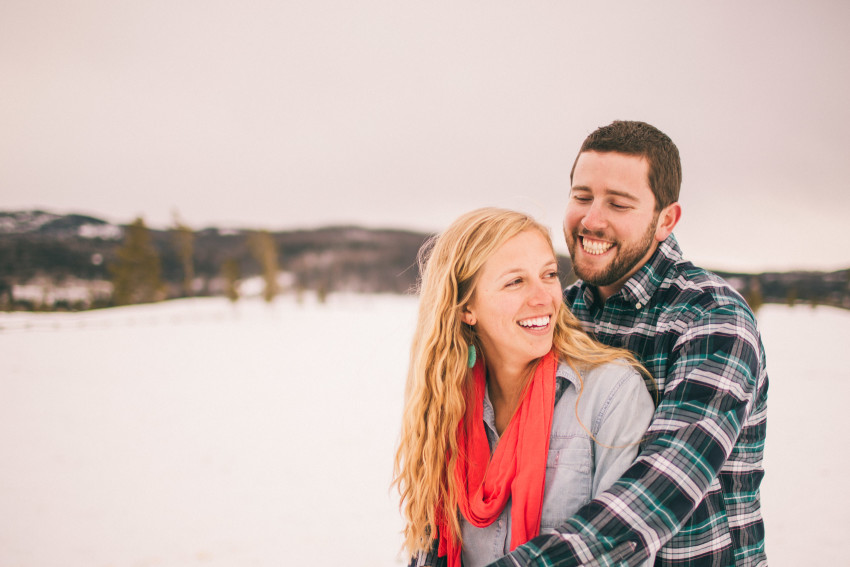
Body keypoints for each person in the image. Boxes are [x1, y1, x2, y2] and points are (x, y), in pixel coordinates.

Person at [490, 121, 769, 566]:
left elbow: (662, 488)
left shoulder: (712, 319)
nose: (591, 219)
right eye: (582, 197)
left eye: (618, 204)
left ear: (666, 220)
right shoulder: (560, 316)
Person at [394, 208, 655, 567]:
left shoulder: (610, 393)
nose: (543, 297)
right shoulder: (448, 401)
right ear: (467, 307)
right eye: (515, 281)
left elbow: (624, 549)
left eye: (548, 274)